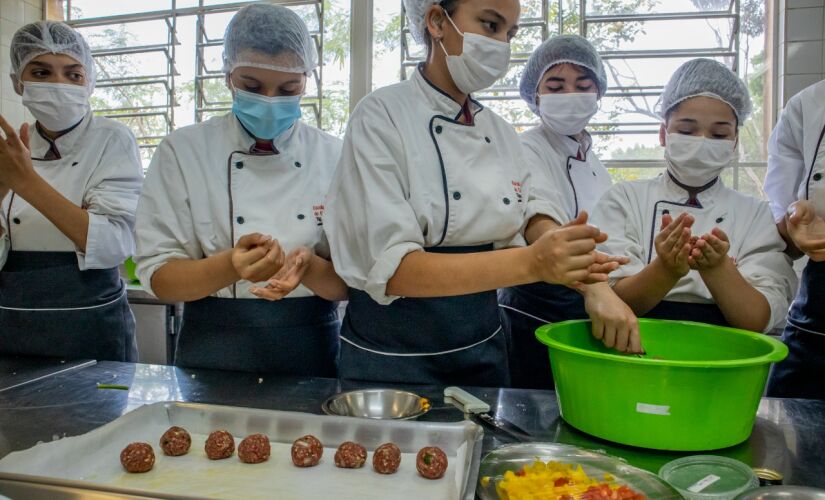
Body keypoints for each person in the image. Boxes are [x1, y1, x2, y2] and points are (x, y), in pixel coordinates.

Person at [325, 0, 626, 386]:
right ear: (436, 21)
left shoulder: (500, 132)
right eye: (489, 24)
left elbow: (533, 213)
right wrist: (534, 263)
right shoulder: (381, 115)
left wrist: (592, 283)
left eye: (510, 33)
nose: (501, 44)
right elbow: (393, 268)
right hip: (392, 357)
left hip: (482, 349)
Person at [134, 4, 345, 375]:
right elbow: (160, 278)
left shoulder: (334, 155)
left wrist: (306, 266)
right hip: (213, 345)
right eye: (251, 86)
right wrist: (229, 266)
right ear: (228, 74)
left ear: (306, 81)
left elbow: (351, 284)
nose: (268, 100)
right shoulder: (184, 151)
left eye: (288, 88)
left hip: (309, 345)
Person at [590, 58, 796, 334]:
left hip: (725, 355)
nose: (701, 141)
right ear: (663, 134)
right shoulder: (625, 199)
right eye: (687, 130)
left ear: (734, 142)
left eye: (719, 134)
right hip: (635, 345)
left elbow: (757, 318)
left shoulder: (754, 214)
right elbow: (611, 299)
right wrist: (664, 270)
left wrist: (718, 269)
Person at [498, 35, 639, 389]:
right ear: (536, 96)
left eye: (582, 85)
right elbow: (537, 218)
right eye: (556, 86)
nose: (570, 95)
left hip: (586, 302)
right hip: (534, 305)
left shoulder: (595, 164)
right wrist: (597, 288)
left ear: (598, 94)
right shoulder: (525, 147)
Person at [0, 21, 142, 361]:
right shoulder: (11, 150)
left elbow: (111, 246)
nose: (59, 85)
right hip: (13, 323)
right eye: (42, 72)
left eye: (73, 74)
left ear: (89, 82)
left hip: (91, 324)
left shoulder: (112, 140)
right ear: (18, 83)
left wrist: (27, 184)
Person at [764, 78, 825, 399]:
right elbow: (784, 220)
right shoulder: (807, 106)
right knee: (790, 417)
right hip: (819, 305)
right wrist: (796, 218)